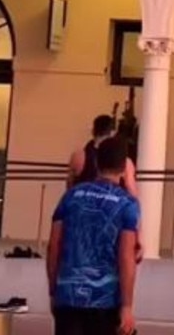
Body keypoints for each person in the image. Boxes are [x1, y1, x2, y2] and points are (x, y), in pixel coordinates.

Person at [47, 136, 139, 335]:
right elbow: (126, 257)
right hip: (105, 301)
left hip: (68, 297)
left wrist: (54, 291)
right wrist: (127, 306)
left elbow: (54, 246)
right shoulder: (127, 204)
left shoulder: (71, 196)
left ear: (96, 162)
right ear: (124, 168)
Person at [67, 114, 137, 196]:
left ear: (93, 131)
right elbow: (131, 189)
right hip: (113, 205)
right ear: (112, 133)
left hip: (84, 203)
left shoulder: (79, 156)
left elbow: (70, 185)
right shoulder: (125, 161)